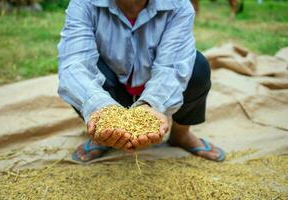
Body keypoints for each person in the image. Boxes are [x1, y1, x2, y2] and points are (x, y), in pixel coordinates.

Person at [58, 0, 225, 162]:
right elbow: (74, 65)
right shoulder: (83, 3)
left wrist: (152, 104)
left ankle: (180, 135)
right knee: (81, 81)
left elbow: (172, 67)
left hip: (156, 84)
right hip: (111, 87)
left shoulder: (178, 5)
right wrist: (101, 108)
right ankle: (103, 134)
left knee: (197, 67)